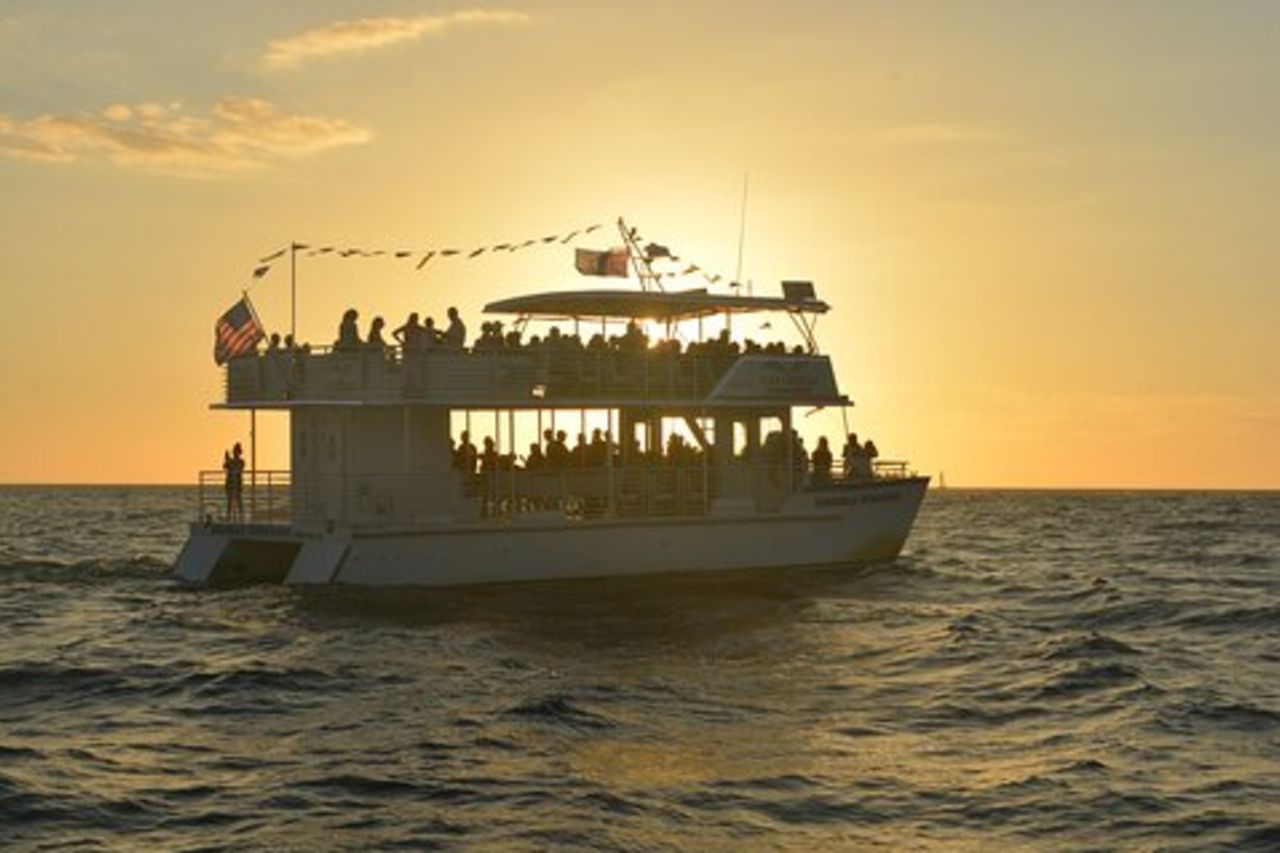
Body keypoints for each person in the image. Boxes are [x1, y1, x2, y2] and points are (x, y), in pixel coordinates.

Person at [223, 442, 245, 521]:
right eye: (235, 451)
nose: (235, 453)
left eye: (237, 451)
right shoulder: (231, 461)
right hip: (230, 483)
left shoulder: (241, 461)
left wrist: (229, 460)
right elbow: (225, 466)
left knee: (239, 502)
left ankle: (241, 518)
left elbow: (238, 468)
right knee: (230, 502)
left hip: (237, 484)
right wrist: (227, 459)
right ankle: (228, 518)